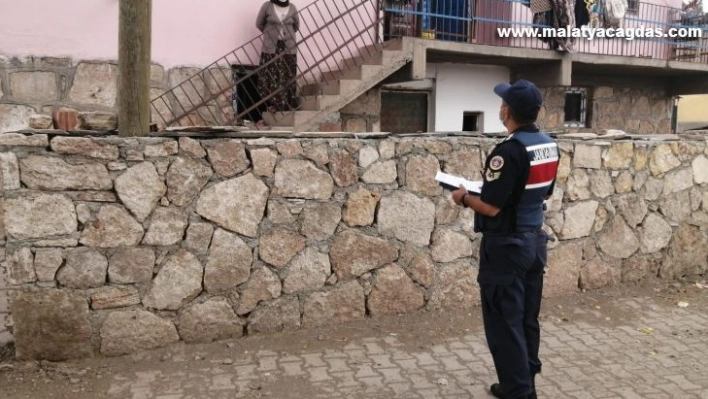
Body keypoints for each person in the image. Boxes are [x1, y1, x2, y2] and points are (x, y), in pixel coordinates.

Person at [451, 79, 559, 399]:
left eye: (502, 104)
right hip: (534, 241)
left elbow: (492, 206)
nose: (500, 108)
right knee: (526, 319)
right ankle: (524, 383)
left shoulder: (507, 152)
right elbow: (541, 192)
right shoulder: (548, 144)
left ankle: (519, 392)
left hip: (507, 248)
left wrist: (463, 196)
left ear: (507, 111)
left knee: (504, 324)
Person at [256, 0, 300, 113]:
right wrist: (269, 34)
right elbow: (259, 24)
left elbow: (296, 26)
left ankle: (286, 106)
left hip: (288, 48)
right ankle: (271, 106)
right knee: (270, 76)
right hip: (271, 48)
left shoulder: (293, 8)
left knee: (287, 75)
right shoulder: (267, 6)